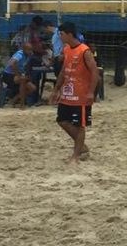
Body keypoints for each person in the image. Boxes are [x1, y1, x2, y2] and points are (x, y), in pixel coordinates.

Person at [50, 22, 99, 165]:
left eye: (62, 34)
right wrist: (56, 89)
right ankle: (82, 147)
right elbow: (64, 71)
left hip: (82, 95)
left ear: (69, 34)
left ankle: (75, 156)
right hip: (68, 93)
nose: (60, 36)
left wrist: (91, 92)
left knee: (80, 125)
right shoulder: (66, 49)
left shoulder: (85, 51)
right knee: (61, 120)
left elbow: (95, 73)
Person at [1, 42, 35, 108]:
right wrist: (18, 75)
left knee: (32, 88)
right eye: (28, 50)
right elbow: (12, 64)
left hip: (17, 74)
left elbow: (25, 66)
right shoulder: (19, 54)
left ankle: (15, 99)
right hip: (8, 74)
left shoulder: (29, 55)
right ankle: (22, 104)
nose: (30, 51)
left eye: (31, 49)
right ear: (24, 49)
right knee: (22, 80)